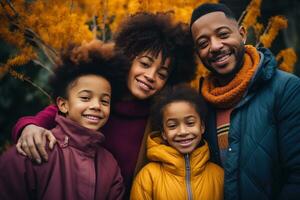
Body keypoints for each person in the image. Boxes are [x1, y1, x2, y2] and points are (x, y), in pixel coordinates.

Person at [11, 12, 197, 198]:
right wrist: (29, 126)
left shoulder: (157, 119)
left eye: (162, 74)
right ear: (128, 57)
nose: (150, 76)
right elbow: (56, 112)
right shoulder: (100, 100)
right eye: (145, 64)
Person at [190, 3, 300, 200]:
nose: (215, 47)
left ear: (242, 34)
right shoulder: (202, 105)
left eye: (223, 35)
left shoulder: (286, 89)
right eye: (203, 43)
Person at [0, 44, 125, 199]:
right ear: (63, 105)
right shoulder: (34, 149)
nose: (96, 106)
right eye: (85, 97)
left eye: (105, 101)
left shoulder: (110, 166)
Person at [130, 85, 224, 200]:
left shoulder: (219, 175)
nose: (182, 132)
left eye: (190, 123)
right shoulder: (148, 177)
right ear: (164, 133)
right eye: (172, 125)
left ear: (202, 127)